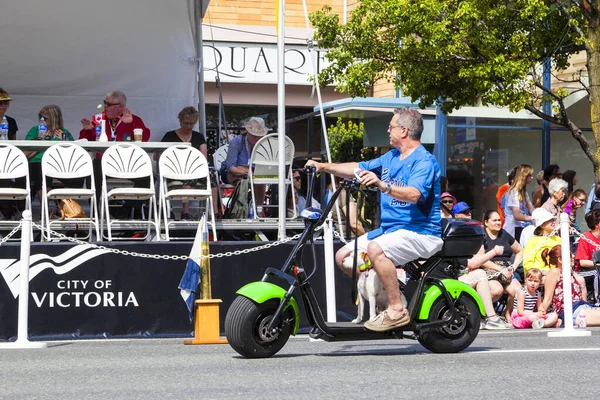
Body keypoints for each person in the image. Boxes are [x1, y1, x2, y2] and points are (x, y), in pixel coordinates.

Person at [306, 107, 443, 332]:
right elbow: (356, 169)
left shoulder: (424, 161)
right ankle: (387, 297)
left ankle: (396, 309)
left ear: (404, 131)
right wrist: (322, 166)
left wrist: (383, 185)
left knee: (375, 248)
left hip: (421, 232)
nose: (388, 130)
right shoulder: (390, 157)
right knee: (342, 257)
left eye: (391, 126)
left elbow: (414, 194)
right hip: (391, 230)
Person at [79, 91, 150, 201]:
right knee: (93, 168)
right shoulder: (98, 120)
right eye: (105, 103)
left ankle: (129, 208)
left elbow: (145, 138)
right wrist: (88, 130)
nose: (105, 107)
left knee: (148, 176)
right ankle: (95, 209)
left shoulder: (133, 119)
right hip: (104, 163)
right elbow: (84, 142)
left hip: (127, 164)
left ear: (121, 107)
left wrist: (130, 124)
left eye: (109, 104)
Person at [160, 106, 218, 219]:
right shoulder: (170, 136)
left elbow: (203, 158)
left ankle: (215, 212)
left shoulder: (199, 137)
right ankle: (185, 212)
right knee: (189, 177)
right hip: (175, 171)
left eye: (192, 123)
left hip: (194, 170)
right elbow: (159, 157)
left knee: (212, 177)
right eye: (186, 123)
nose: (189, 126)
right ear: (180, 121)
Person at [539, 245, 600, 327]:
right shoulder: (555, 272)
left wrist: (581, 283)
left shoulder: (575, 276)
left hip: (583, 307)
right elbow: (547, 299)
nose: (573, 256)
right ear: (560, 259)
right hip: (569, 311)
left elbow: (583, 299)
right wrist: (541, 313)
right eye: (570, 255)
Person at [24, 105, 76, 202]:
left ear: (54, 119)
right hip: (38, 163)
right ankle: (45, 209)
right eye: (40, 117)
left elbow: (73, 154)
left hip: (59, 165)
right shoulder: (35, 130)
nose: (41, 120)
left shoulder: (64, 133)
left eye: (44, 118)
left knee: (78, 177)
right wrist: (41, 141)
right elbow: (25, 153)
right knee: (42, 168)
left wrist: (64, 141)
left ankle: (62, 206)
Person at [481, 210, 523, 320]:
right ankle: (482, 314)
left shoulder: (504, 234)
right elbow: (481, 259)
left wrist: (514, 267)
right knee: (497, 290)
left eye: (499, 220)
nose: (498, 223)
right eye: (494, 220)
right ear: (486, 222)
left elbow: (519, 250)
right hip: (490, 270)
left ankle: (507, 313)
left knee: (519, 291)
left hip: (507, 271)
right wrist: (499, 269)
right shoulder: (482, 236)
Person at [220, 117, 269, 207]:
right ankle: (239, 210)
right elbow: (231, 167)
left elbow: (264, 166)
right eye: (254, 135)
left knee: (261, 181)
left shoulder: (263, 144)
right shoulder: (236, 142)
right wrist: (248, 171)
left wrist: (249, 171)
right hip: (231, 172)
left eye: (259, 136)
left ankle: (258, 209)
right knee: (241, 180)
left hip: (252, 174)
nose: (256, 138)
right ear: (248, 133)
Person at [0, 88, 22, 220]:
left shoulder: (11, 121)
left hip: (7, 158)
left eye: (6, 103)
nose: (3, 106)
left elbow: (14, 141)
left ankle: (9, 214)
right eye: (0, 103)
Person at [522, 208, 561, 276]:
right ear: (542, 225)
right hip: (540, 276)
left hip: (559, 273)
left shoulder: (558, 239)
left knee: (580, 280)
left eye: (553, 219)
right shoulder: (532, 241)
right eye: (550, 220)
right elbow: (527, 263)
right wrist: (542, 271)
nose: (554, 222)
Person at [503, 164, 534, 241]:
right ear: (523, 176)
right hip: (512, 228)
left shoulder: (523, 192)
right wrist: (533, 218)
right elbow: (516, 215)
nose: (532, 177)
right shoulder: (514, 192)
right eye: (529, 175)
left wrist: (539, 214)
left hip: (520, 226)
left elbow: (531, 207)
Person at [574, 209, 600, 302]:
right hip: (586, 271)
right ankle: (598, 301)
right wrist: (598, 264)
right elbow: (583, 262)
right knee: (598, 273)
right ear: (597, 225)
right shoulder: (586, 238)